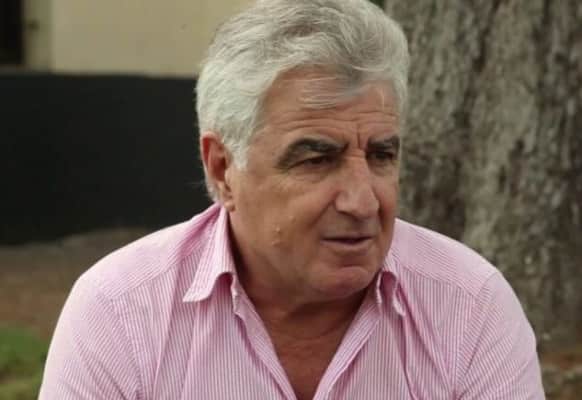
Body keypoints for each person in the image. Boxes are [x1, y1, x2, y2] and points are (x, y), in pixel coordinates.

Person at [39, 0, 545, 399]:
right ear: (222, 169)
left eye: (381, 155)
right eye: (316, 159)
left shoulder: (467, 307)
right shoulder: (122, 312)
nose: (362, 202)